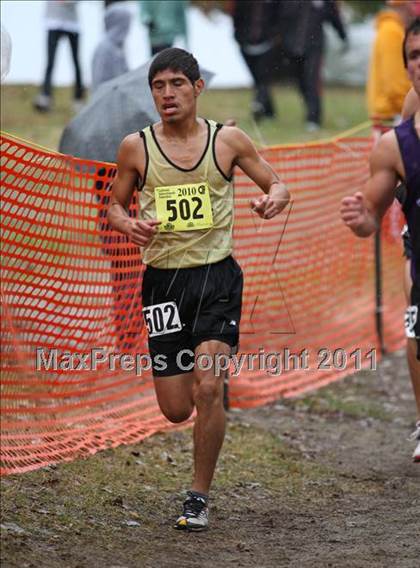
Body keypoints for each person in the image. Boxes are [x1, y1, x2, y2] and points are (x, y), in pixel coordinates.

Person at [107, 47, 290, 530]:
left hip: (217, 277)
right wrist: (129, 226)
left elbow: (278, 186)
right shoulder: (136, 147)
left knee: (208, 387)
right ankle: (206, 395)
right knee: (174, 408)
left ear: (197, 88)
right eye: (159, 86)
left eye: (177, 84)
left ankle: (197, 495)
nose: (167, 94)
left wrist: (272, 200)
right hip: (163, 284)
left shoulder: (226, 141)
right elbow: (113, 208)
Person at [340, 19, 420, 463]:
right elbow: (374, 208)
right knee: (417, 327)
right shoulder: (401, 133)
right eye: (414, 56)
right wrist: (362, 219)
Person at [278, 0, 348, 131]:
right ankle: (309, 108)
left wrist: (343, 36)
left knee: (312, 81)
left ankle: (313, 118)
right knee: (300, 82)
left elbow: (333, 16)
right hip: (292, 47)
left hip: (314, 47)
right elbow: (279, 18)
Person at [367, 0, 417, 137]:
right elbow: (395, 86)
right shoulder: (391, 32)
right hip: (393, 120)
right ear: (403, 4)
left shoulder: (398, 30)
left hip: (397, 117)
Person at [231, 0, 281, 122]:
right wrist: (239, 38)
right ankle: (269, 111)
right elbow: (237, 19)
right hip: (247, 45)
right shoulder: (242, 3)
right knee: (258, 79)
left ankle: (258, 104)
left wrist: (275, 36)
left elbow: (280, 17)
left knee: (263, 77)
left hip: (267, 44)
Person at [33, 0, 84, 112]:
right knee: (50, 62)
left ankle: (78, 98)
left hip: (72, 23)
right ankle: (45, 97)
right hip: (53, 21)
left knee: (76, 62)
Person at [91, 2, 131, 93]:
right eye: (125, 24)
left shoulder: (118, 48)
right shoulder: (105, 49)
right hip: (107, 100)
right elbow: (99, 83)